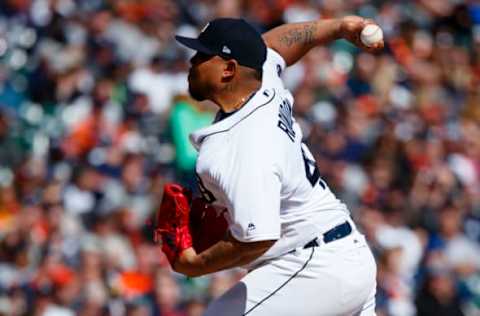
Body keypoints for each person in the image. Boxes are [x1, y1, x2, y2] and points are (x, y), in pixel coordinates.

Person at [171, 16, 383, 315]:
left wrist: (196, 265)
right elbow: (276, 45)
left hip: (315, 268)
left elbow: (258, 238)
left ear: (229, 70)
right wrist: (338, 27)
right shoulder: (261, 79)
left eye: (203, 55)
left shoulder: (237, 146)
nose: (193, 61)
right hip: (342, 256)